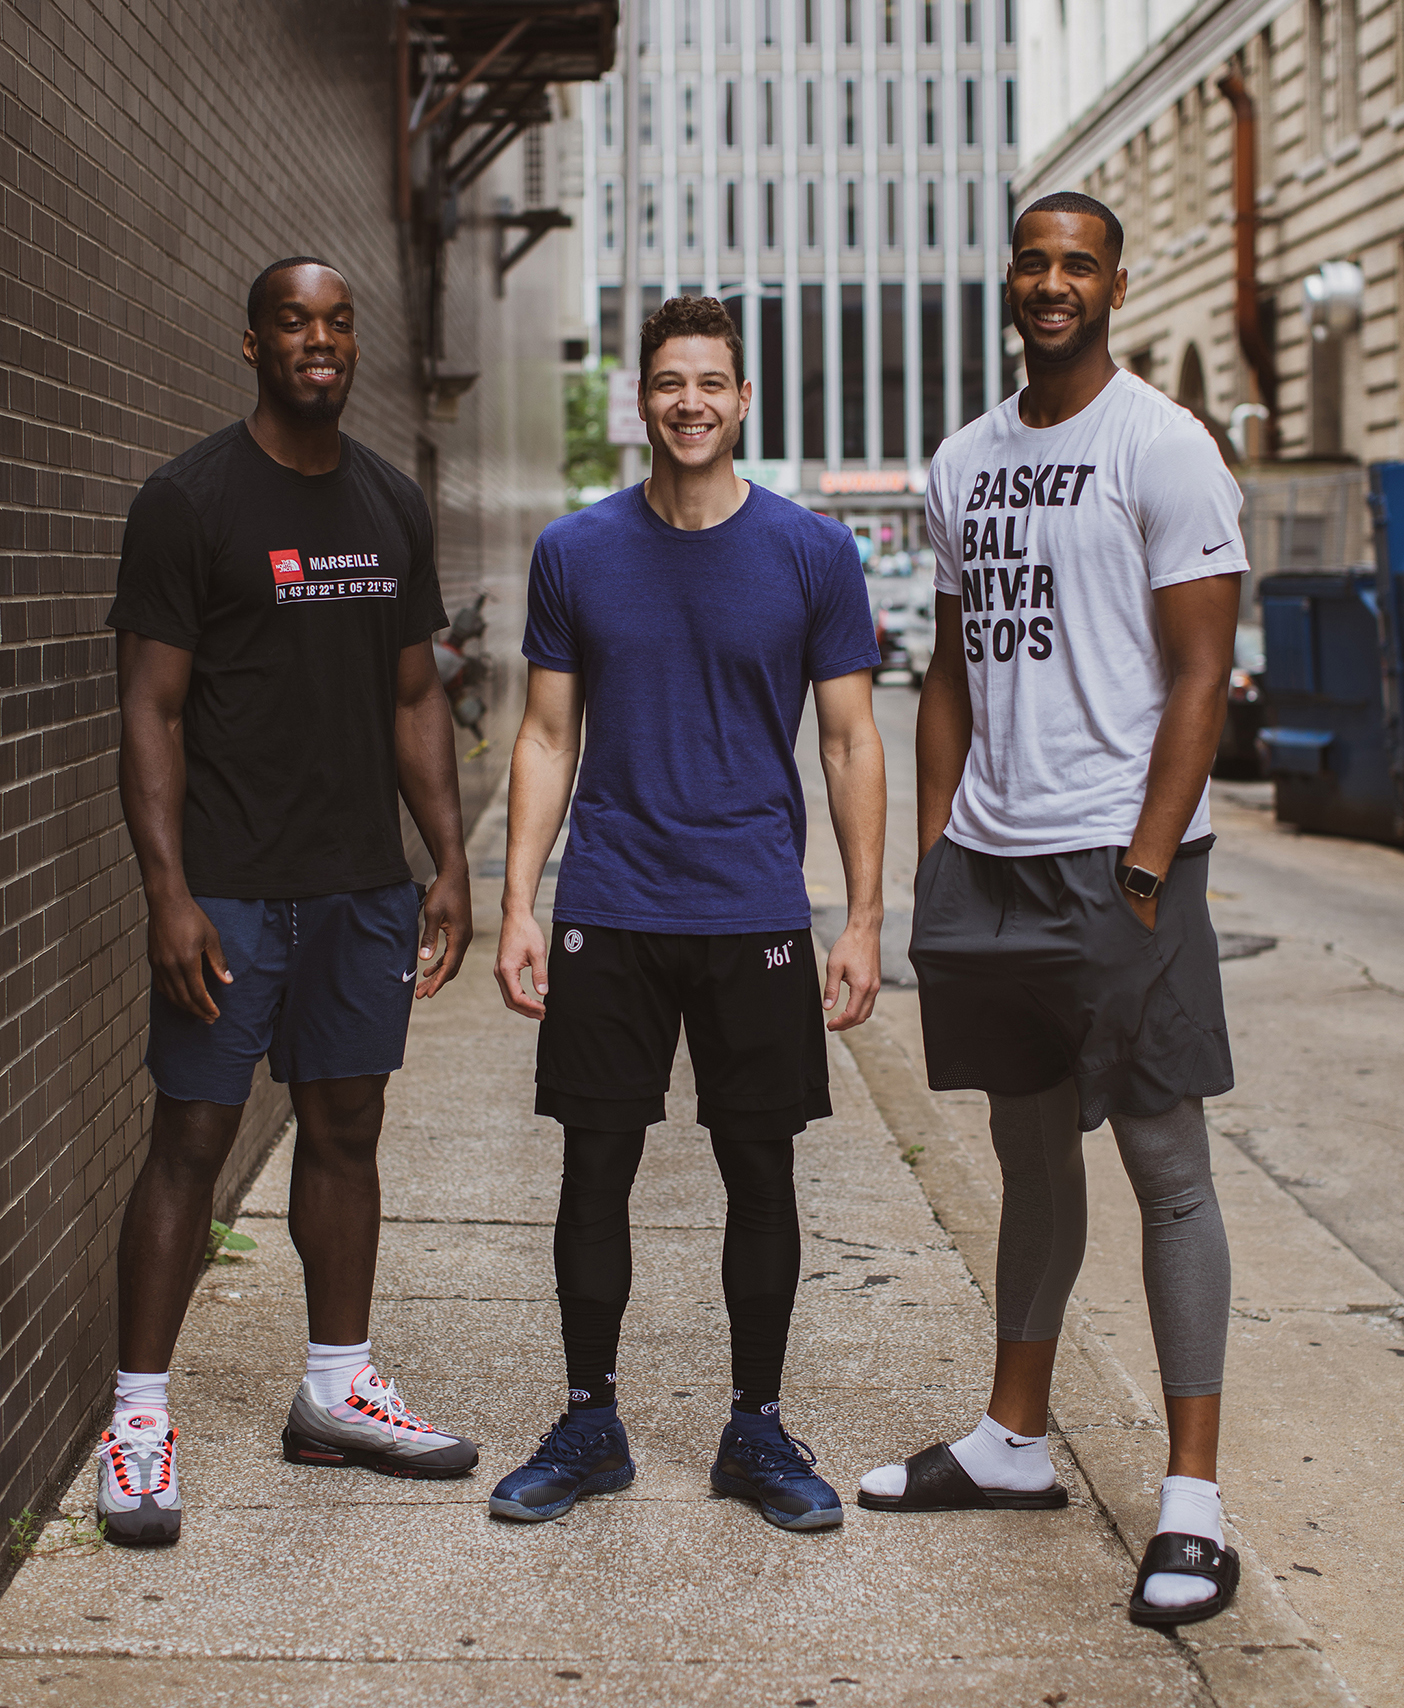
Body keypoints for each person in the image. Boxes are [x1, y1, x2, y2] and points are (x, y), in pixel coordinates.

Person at [858, 193, 1244, 1628]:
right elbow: (949, 671)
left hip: (1125, 862)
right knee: (1031, 1154)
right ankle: (1014, 1439)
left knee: (1167, 1165)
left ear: (1115, 285)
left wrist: (1148, 863)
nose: (1053, 282)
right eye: (1034, 260)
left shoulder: (1162, 444)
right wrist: (939, 849)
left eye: (1079, 262)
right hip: (997, 865)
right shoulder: (964, 459)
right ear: (1008, 281)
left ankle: (1194, 1499)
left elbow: (1200, 675)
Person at [490, 295, 885, 1532]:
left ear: (744, 399)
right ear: (645, 398)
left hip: (754, 904)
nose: (691, 402)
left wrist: (861, 916)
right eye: (670, 382)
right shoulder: (576, 550)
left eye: (712, 382)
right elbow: (549, 735)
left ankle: (755, 1427)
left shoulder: (814, 552)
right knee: (593, 1165)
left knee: (758, 1169)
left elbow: (851, 740)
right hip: (610, 899)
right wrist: (518, 901)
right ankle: (589, 1418)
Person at [100, 258, 479, 1546]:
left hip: (359, 887)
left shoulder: (387, 501)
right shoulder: (189, 500)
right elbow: (148, 709)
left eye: (337, 322)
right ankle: (139, 1422)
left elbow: (414, 694)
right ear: (251, 344)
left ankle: (334, 1392)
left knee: (347, 1132)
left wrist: (448, 857)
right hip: (229, 887)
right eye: (292, 324)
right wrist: (169, 889)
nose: (320, 342)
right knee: (192, 1140)